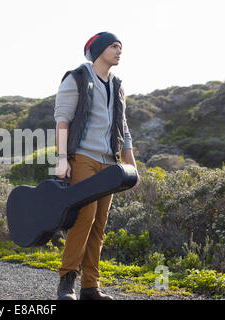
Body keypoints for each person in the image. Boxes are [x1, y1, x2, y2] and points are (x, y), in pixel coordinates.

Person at [54, 32, 139, 300]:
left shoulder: (117, 85)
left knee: (99, 224)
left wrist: (130, 163)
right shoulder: (77, 78)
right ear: (100, 49)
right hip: (83, 158)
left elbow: (122, 126)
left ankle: (91, 287)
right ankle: (67, 283)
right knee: (84, 219)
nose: (119, 51)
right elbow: (62, 120)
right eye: (114, 46)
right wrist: (61, 158)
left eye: (120, 47)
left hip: (109, 164)